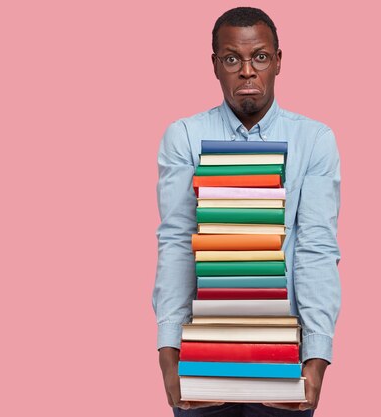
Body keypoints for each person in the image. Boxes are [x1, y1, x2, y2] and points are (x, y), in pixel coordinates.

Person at [152, 7, 341, 416]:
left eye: (259, 56)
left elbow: (316, 249)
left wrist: (317, 359)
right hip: (200, 356)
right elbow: (177, 244)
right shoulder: (185, 136)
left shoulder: (314, 140)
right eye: (232, 59)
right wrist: (168, 357)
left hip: (286, 356)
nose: (247, 71)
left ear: (277, 61)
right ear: (216, 65)